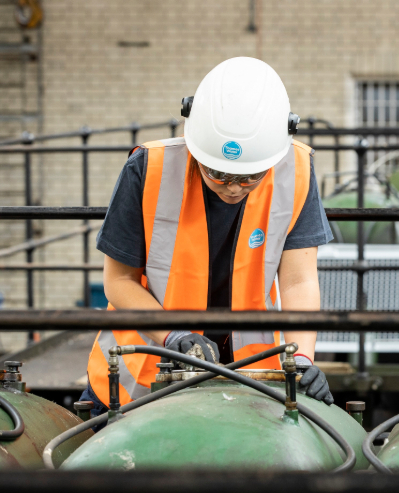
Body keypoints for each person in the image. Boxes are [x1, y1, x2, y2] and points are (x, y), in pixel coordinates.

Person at [79, 57, 335, 421]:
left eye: (249, 177)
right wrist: (172, 336)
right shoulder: (148, 169)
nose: (232, 187)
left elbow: (299, 281)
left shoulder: (294, 170)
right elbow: (118, 281)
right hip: (141, 376)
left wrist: (304, 360)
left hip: (249, 375)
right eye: (218, 173)